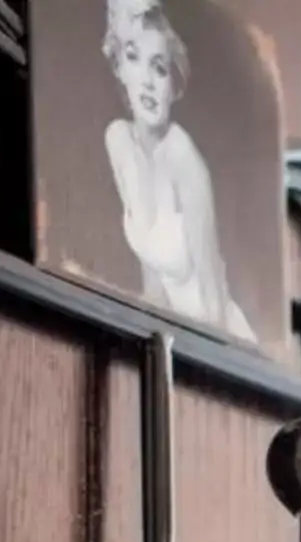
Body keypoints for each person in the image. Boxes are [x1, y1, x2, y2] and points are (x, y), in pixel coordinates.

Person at [100, 0, 254, 343]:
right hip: (174, 338)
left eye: (160, 67)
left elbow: (213, 295)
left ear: (174, 83)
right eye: (133, 57)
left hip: (219, 338)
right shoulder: (118, 141)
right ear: (119, 68)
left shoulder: (182, 156)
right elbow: (152, 279)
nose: (148, 82)